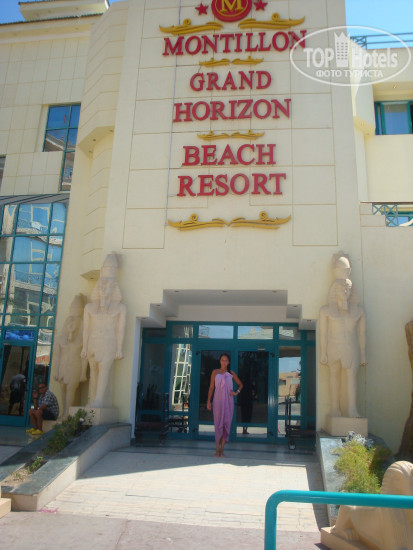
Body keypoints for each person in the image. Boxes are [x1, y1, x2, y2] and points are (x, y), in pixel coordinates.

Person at [81, 253, 127, 408]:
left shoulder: (120, 308)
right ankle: (93, 399)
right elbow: (86, 329)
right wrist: (84, 347)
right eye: (101, 286)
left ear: (114, 288)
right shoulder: (89, 308)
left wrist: (119, 348)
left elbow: (120, 330)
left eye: (106, 286)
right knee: (93, 371)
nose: (102, 289)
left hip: (109, 342)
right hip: (93, 342)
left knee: (104, 370)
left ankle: (99, 400)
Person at [319, 278, 367, 418]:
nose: (345, 291)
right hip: (333, 346)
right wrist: (323, 352)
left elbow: (362, 334)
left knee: (351, 376)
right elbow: (323, 333)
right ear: (334, 291)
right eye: (341, 288)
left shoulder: (359, 311)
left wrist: (363, 354)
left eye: (348, 288)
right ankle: (335, 409)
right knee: (333, 375)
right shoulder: (325, 311)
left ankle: (352, 409)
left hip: (351, 347)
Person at [207, 354, 243, 457]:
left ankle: (222, 450)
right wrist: (208, 401)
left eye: (226, 360)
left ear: (228, 362)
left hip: (228, 402)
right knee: (218, 424)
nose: (224, 362)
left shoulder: (231, 373)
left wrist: (236, 392)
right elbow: (211, 387)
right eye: (222, 360)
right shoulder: (215, 372)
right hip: (217, 401)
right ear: (220, 361)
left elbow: (241, 384)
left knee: (226, 426)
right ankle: (217, 450)